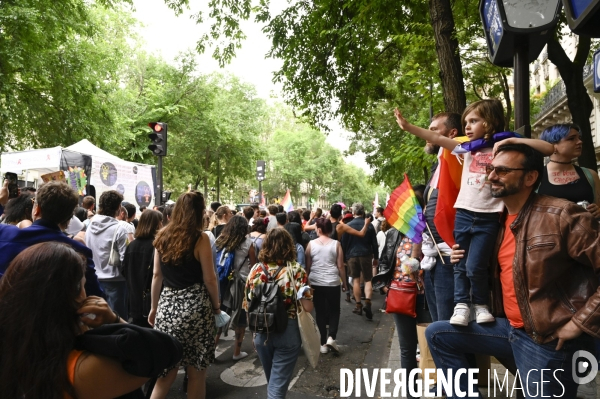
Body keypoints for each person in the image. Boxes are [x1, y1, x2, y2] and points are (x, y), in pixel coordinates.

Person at [426, 143, 600, 398]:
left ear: (530, 177)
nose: (492, 176)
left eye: (503, 171)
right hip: (511, 329)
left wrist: (578, 323)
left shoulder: (562, 215)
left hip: (547, 338)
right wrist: (460, 257)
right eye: (491, 169)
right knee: (438, 334)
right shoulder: (494, 223)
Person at [395, 100, 553, 326]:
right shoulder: (466, 147)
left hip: (490, 216)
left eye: (473, 121)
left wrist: (513, 140)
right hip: (464, 214)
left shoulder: (505, 147)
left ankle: (480, 305)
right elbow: (438, 139)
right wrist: (408, 127)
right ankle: (461, 304)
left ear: (490, 123)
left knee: (475, 265)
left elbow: (549, 149)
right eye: (465, 122)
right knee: (460, 262)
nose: (466, 126)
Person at [0, 241, 182, 399]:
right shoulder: (81, 369)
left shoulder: (14, 349)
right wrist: (114, 320)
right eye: (83, 285)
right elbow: (168, 350)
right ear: (76, 294)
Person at [149, 191, 221, 399]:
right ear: (199, 212)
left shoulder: (162, 236)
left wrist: (154, 308)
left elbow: (156, 276)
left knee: (165, 375)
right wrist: (216, 307)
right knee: (196, 373)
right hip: (197, 310)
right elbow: (210, 279)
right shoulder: (200, 239)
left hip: (167, 308)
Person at [0, 181, 103, 296]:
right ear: (69, 217)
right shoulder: (80, 251)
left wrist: (1, 201)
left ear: (37, 209)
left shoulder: (4, 234)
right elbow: (95, 296)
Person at [244, 228, 313, 399]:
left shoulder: (255, 270)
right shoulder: (297, 271)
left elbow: (247, 305)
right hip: (288, 330)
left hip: (261, 329)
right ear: (288, 246)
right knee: (278, 385)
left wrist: (254, 334)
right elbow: (308, 307)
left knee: (273, 381)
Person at [372, 227, 432, 399]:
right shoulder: (394, 234)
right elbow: (385, 261)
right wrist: (385, 287)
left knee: (429, 346)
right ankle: (411, 394)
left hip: (426, 298)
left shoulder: (428, 232)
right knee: (407, 349)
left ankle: (437, 389)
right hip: (401, 295)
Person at [415, 112, 463, 323]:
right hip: (435, 259)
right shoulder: (438, 164)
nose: (428, 134)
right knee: (438, 324)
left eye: (434, 130)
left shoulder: (460, 160)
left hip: (449, 258)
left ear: (452, 133)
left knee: (447, 328)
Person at [214, 215, 255, 361]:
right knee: (240, 317)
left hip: (223, 283)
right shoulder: (248, 243)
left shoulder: (220, 241)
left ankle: (211, 349)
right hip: (241, 284)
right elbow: (253, 265)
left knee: (220, 315)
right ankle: (236, 352)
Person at [537, 123, 600, 218]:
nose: (579, 142)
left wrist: (598, 211)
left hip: (586, 231)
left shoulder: (590, 175)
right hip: (550, 231)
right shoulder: (536, 176)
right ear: (553, 145)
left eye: (579, 138)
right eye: (571, 138)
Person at [305, 218, 346, 354]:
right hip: (333, 282)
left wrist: (307, 283)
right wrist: (344, 283)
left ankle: (322, 343)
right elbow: (340, 266)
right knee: (335, 310)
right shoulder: (336, 244)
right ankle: (331, 337)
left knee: (320, 312)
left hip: (316, 282)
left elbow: (308, 266)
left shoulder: (311, 244)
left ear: (320, 229)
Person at [86, 190, 129, 320]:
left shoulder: (89, 225)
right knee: (118, 322)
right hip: (116, 282)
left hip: (94, 280)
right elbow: (125, 259)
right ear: (118, 207)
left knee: (97, 321)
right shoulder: (120, 229)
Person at [123, 209, 163, 328]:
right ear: (156, 224)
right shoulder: (157, 246)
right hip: (153, 300)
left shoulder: (132, 246)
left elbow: (123, 270)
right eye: (160, 222)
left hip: (134, 298)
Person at [341, 203, 378, 320]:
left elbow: (344, 244)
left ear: (353, 212)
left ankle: (358, 305)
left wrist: (344, 258)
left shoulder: (348, 225)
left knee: (356, 280)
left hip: (352, 256)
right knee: (368, 279)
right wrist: (376, 257)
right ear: (363, 212)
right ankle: (367, 302)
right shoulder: (370, 226)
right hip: (366, 254)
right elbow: (374, 243)